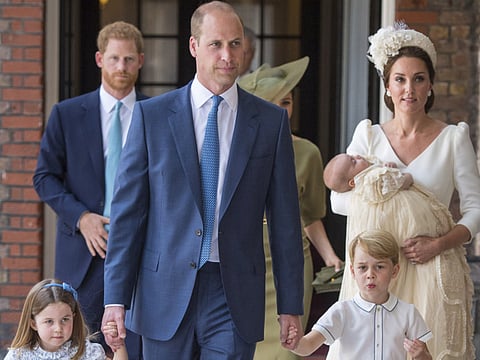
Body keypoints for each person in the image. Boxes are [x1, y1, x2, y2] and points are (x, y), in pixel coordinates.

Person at [101, 2, 304, 359]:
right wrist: (115, 297)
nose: (228, 55)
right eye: (216, 44)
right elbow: (128, 214)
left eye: (236, 44)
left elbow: (285, 221)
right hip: (163, 290)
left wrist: (290, 303)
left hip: (234, 293)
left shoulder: (270, 123)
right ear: (194, 46)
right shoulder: (153, 117)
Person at [329, 22, 480, 359]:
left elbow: (475, 209)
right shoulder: (368, 137)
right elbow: (337, 198)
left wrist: (438, 244)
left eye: (418, 79)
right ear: (387, 86)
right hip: (377, 270)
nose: (408, 89)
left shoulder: (453, 139)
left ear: (430, 86)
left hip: (430, 269)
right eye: (400, 79)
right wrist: (382, 201)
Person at [33, 21, 146, 359]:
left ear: (141, 60)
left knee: (136, 347)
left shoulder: (155, 114)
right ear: (99, 59)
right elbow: (44, 177)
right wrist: (81, 217)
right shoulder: (67, 114)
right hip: (84, 252)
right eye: (114, 59)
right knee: (75, 348)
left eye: (128, 59)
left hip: (140, 252)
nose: (121, 67)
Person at [238, 56, 343, 360]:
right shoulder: (236, 150)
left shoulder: (307, 153)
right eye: (275, 102)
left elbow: (310, 217)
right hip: (246, 264)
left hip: (291, 265)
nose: (283, 110)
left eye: (287, 102)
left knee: (287, 350)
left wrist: (331, 257)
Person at [287, 230, 432, 360]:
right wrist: (295, 341)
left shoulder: (408, 313)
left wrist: (420, 355)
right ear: (352, 271)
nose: (370, 275)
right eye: (362, 267)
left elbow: (425, 357)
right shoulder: (341, 311)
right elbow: (307, 346)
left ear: (394, 271)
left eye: (379, 267)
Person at [4, 279, 128, 360]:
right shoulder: (18, 356)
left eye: (64, 319)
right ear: (33, 323)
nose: (58, 329)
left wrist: (118, 342)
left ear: (73, 317)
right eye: (49, 321)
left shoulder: (87, 352)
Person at [323, 153, 413, 194]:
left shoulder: (370, 165)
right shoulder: (371, 182)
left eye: (352, 156)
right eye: (354, 161)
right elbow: (400, 183)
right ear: (353, 182)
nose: (357, 156)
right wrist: (408, 177)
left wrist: (390, 168)